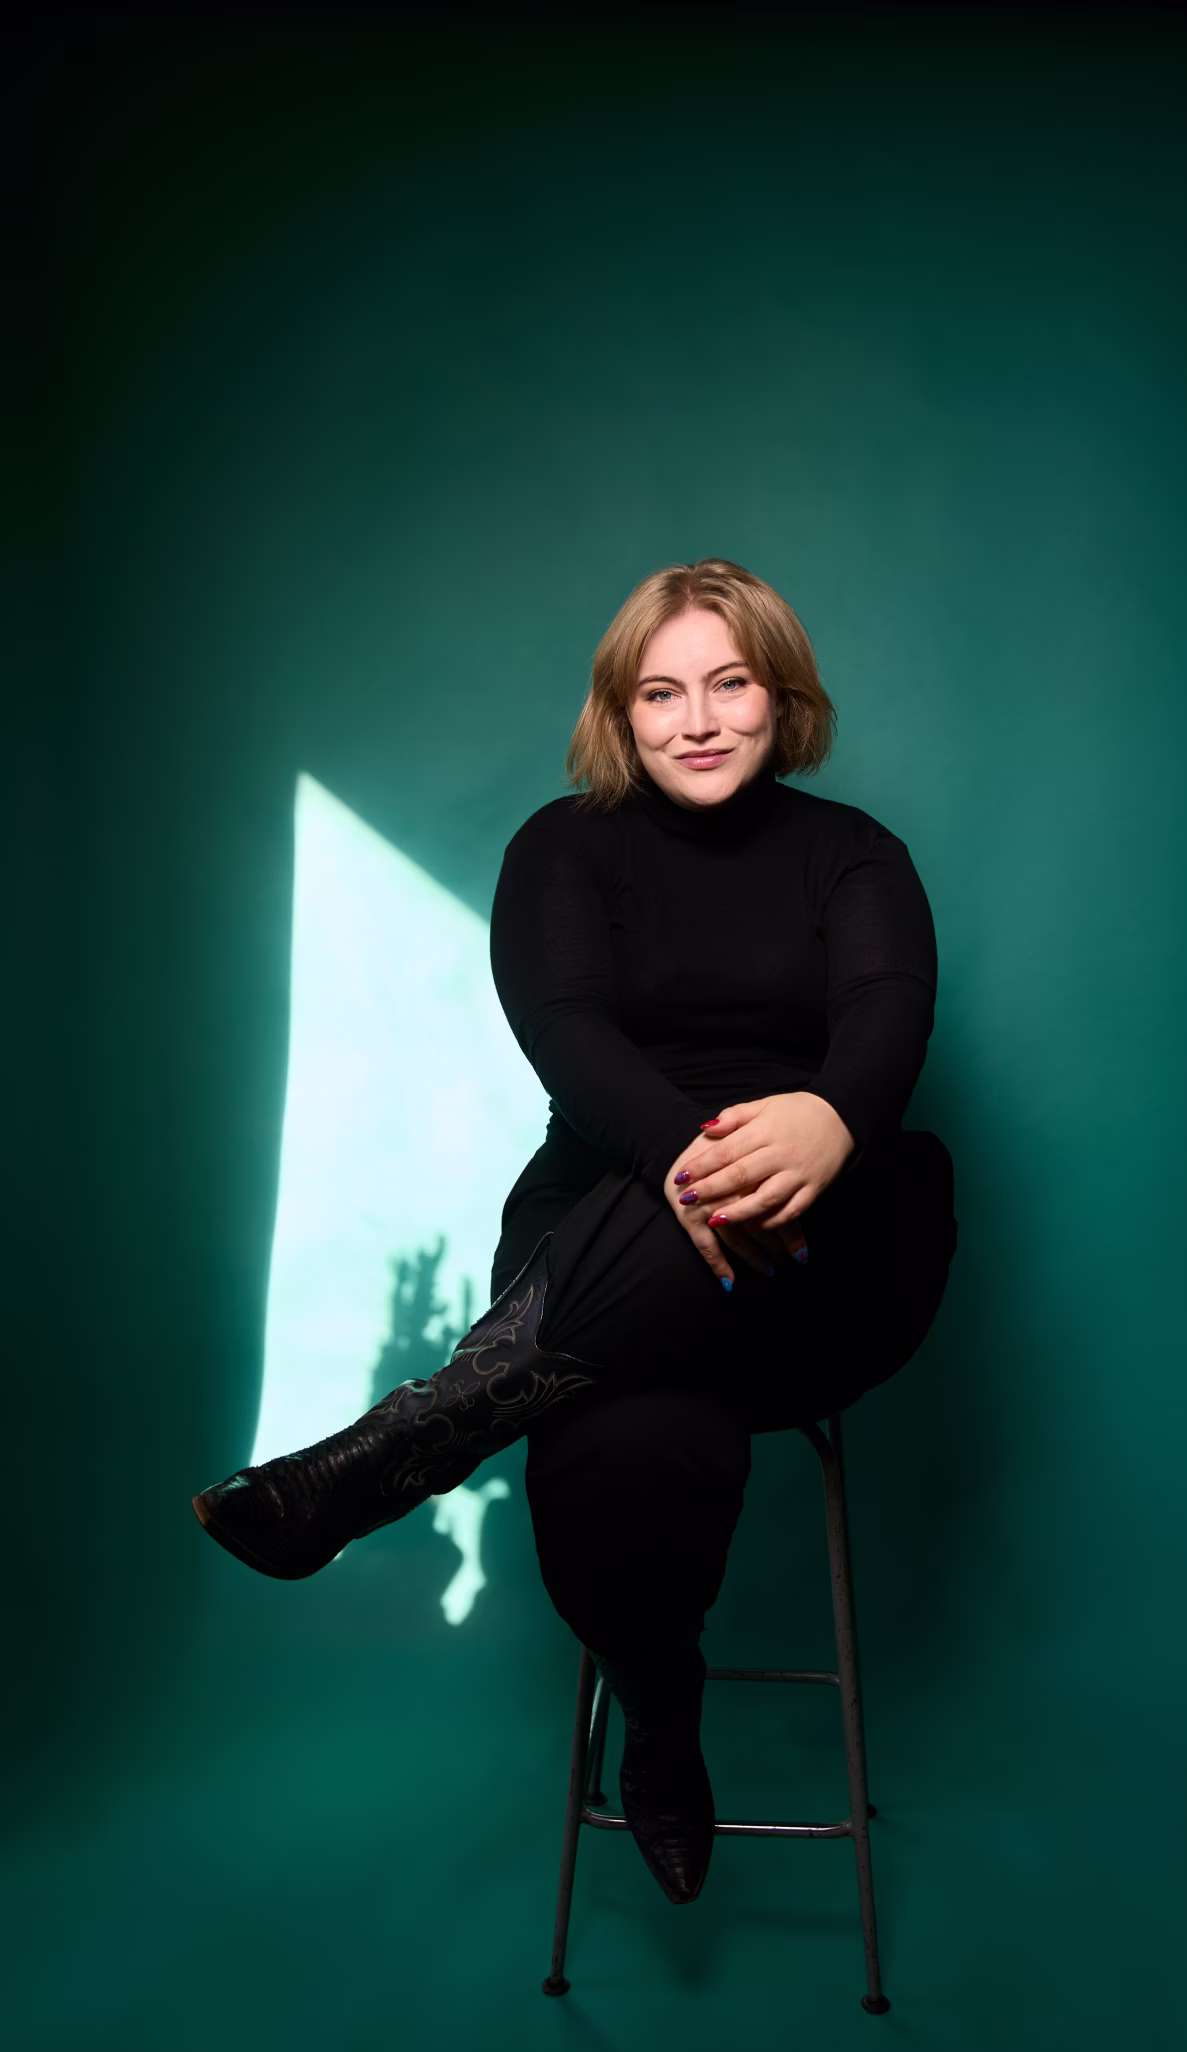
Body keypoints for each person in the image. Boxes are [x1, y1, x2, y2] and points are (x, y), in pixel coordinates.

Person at [192, 558, 957, 1907]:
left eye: (730, 683)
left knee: (769, 1211)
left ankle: (418, 1436)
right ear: (620, 712)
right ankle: (661, 1724)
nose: (698, 720)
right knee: (621, 1448)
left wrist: (831, 1122)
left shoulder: (854, 852)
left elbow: (890, 1009)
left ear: (782, 695)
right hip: (609, 1216)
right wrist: (692, 1163)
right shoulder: (563, 848)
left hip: (826, 1234)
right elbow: (568, 1035)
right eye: (661, 693)